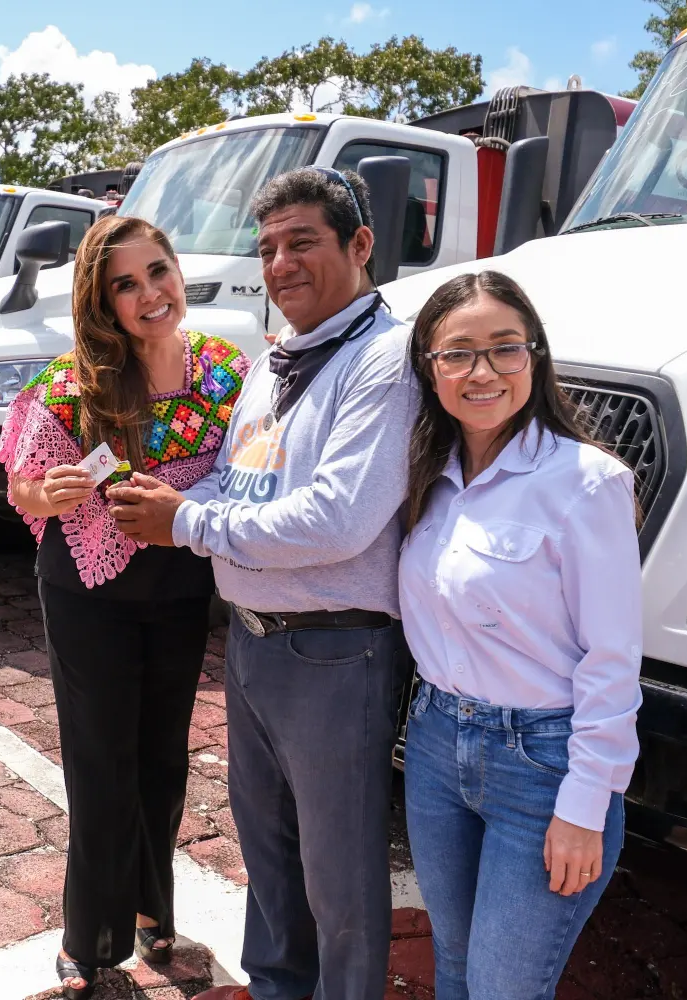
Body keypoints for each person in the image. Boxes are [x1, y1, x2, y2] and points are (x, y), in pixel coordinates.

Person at [108, 168, 418, 1000]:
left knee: (338, 873)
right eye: (269, 247)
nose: (280, 265)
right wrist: (175, 502)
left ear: (360, 246)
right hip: (252, 641)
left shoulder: (384, 361)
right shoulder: (276, 359)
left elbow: (336, 520)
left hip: (335, 650)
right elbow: (229, 475)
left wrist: (187, 523)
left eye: (303, 242)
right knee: (270, 856)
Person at [0, 214, 250, 1000]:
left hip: (179, 587)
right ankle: (89, 935)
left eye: (159, 273)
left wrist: (186, 508)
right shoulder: (73, 383)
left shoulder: (225, 372)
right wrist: (51, 489)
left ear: (180, 273)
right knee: (102, 761)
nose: (150, 295)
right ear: (102, 302)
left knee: (163, 757)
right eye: (127, 284)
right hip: (87, 590)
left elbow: (246, 469)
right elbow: (22, 488)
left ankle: (151, 908)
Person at [397, 271, 642, 999]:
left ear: (535, 356)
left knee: (503, 987)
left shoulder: (587, 482)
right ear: (429, 369)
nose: (483, 371)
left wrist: (584, 804)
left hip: (542, 763)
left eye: (505, 348)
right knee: (453, 965)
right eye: (457, 353)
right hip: (437, 743)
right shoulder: (424, 473)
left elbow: (613, 660)